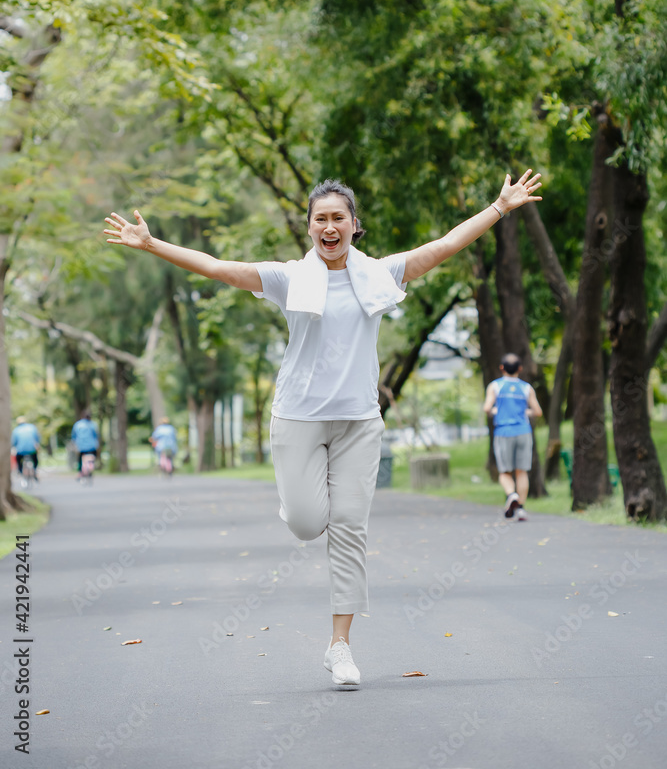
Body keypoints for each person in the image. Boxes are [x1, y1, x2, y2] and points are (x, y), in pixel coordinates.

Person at [105, 168, 542, 685]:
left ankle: (340, 645)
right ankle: (302, 500)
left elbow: (444, 245)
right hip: (298, 418)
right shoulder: (289, 277)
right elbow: (221, 268)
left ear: (355, 225)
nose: (329, 227)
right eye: (321, 219)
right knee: (309, 523)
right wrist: (154, 244)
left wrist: (499, 206)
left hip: (359, 422)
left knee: (351, 528)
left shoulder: (382, 273)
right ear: (309, 227)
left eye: (339, 218)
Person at [483, 352, 543, 521]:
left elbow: (487, 408)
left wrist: (496, 411)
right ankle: (521, 509)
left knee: (504, 472)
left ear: (502, 368)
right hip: (523, 432)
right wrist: (525, 411)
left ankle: (512, 495)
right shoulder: (526, 388)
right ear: (520, 369)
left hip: (503, 432)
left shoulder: (494, 386)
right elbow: (537, 411)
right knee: (521, 471)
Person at [11, 416, 41, 484]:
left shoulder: (16, 430)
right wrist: (37, 444)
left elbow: (14, 442)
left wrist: (14, 446)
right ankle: (35, 470)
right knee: (35, 459)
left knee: (18, 460)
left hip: (21, 450)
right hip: (32, 449)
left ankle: (21, 472)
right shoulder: (32, 427)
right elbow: (37, 438)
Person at [71, 411, 100, 477]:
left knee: (80, 458)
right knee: (91, 458)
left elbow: (74, 436)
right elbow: (96, 435)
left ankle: (80, 472)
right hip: (91, 446)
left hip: (81, 446)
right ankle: (90, 468)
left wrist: (74, 444)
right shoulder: (93, 424)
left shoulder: (77, 424)